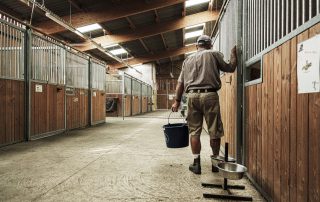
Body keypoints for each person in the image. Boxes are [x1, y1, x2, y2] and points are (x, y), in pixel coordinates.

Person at [171, 35, 237, 175]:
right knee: (214, 130)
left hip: (192, 97)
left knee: (194, 131)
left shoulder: (187, 60)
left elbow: (180, 84)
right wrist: (233, 54)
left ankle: (196, 164)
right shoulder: (214, 54)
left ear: (197, 46)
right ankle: (215, 164)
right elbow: (230, 68)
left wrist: (177, 100)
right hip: (210, 95)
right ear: (209, 45)